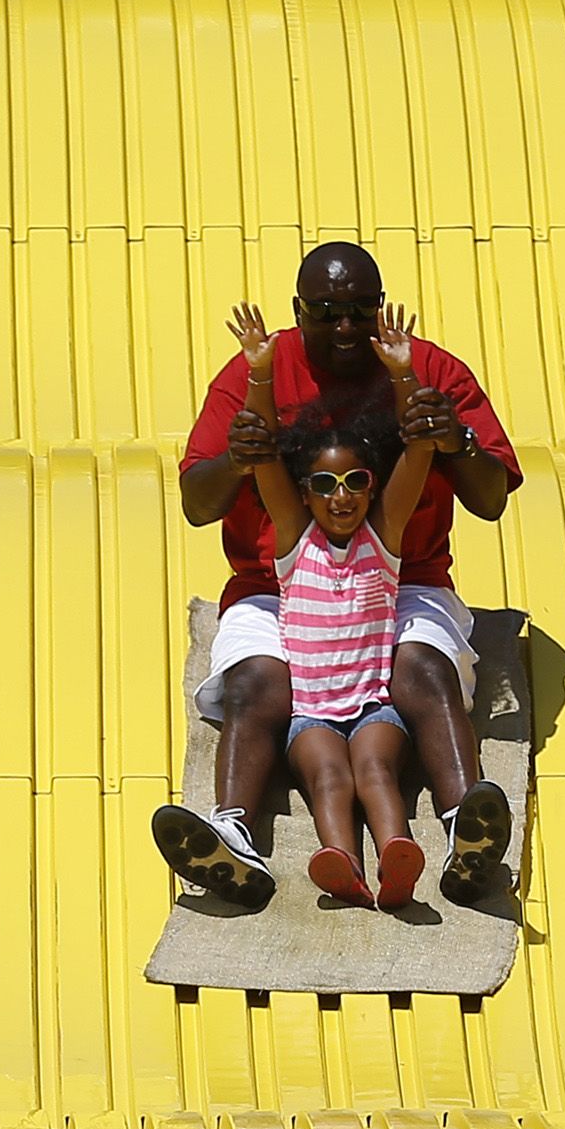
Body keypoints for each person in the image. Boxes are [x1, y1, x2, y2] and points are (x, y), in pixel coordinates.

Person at [155, 240, 522, 911]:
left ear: (378, 307)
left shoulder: (429, 368)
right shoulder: (250, 376)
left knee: (423, 667)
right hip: (275, 587)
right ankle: (232, 834)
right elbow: (197, 503)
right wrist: (238, 459)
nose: (347, 326)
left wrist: (456, 440)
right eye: (327, 312)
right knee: (255, 683)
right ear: (300, 311)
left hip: (403, 579)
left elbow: (490, 497)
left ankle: (465, 827)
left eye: (359, 309)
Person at [220, 300, 442, 907]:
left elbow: (418, 454)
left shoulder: (384, 538)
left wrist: (404, 374)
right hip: (312, 712)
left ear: (372, 487)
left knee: (373, 771)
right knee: (328, 776)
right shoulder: (295, 543)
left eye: (354, 482)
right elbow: (263, 456)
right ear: (305, 493)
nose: (340, 496)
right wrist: (259, 374)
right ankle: (340, 861)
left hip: (374, 706)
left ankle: (398, 859)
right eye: (322, 484)